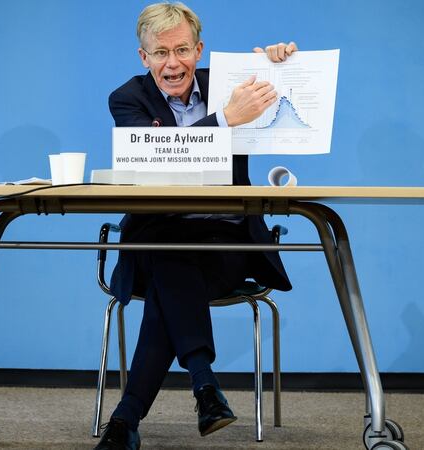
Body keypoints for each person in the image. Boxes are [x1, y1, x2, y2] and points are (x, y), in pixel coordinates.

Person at [95, 3, 295, 449]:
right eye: (160, 52)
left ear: (199, 50)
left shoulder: (228, 85)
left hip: (226, 243)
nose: (173, 63)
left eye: (182, 50)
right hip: (157, 238)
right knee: (171, 253)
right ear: (143, 57)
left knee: (172, 277)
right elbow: (161, 158)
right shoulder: (127, 99)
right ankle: (204, 386)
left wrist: (279, 65)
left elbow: (284, 89)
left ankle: (127, 421)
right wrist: (226, 120)